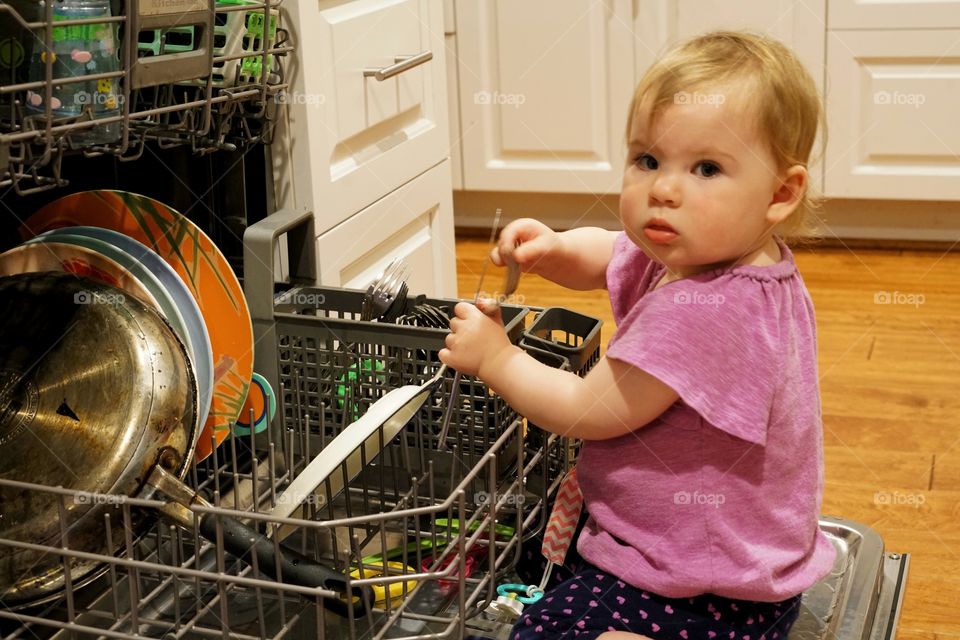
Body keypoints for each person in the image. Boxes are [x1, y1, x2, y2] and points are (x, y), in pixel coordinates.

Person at [438, 31, 837, 640]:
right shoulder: (718, 255)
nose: (663, 189)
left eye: (706, 168)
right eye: (648, 159)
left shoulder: (701, 310)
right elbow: (611, 253)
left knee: (544, 631)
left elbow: (587, 409)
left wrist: (497, 359)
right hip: (743, 560)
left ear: (781, 193)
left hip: (698, 590)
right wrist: (554, 248)